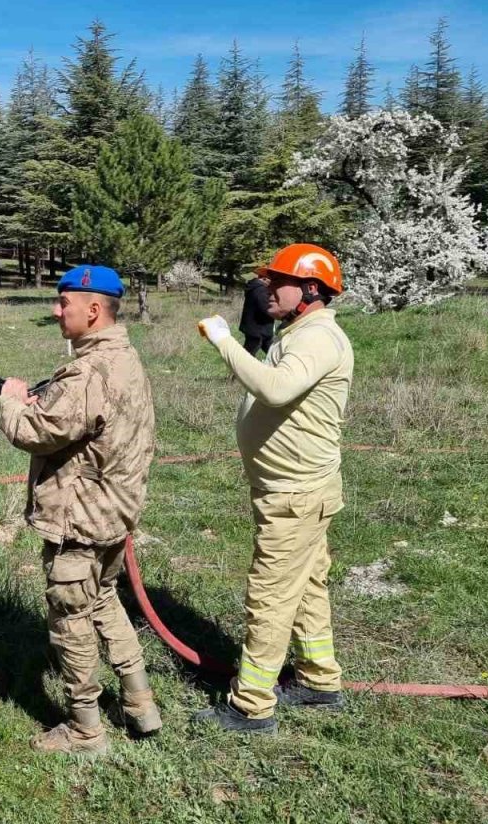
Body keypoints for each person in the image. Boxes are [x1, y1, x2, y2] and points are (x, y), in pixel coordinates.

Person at [0, 264, 161, 756]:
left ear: (93, 310)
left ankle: (85, 730)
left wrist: (10, 401)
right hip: (114, 516)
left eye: (61, 302)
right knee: (105, 603)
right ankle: (141, 705)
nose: (54, 309)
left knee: (70, 620)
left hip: (79, 522)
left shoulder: (88, 371)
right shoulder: (125, 358)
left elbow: (35, 432)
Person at [192, 243, 353, 733]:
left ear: (309, 289)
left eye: (275, 281)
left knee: (270, 597)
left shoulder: (318, 339)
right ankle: (319, 680)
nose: (265, 289)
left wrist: (224, 341)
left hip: (295, 495)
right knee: (306, 587)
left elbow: (276, 389)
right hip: (295, 490)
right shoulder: (300, 333)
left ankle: (251, 705)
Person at [239, 272, 275, 357]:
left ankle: (279, 367)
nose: (271, 282)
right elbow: (266, 309)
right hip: (258, 331)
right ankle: (237, 369)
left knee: (273, 353)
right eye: (270, 279)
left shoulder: (253, 287)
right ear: (264, 278)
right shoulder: (261, 290)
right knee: (247, 357)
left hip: (256, 328)